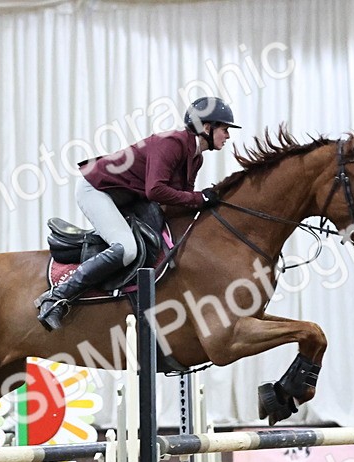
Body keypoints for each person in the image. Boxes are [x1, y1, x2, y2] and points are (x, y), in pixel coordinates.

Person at [35, 96, 240, 331]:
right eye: (224, 129)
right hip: (97, 189)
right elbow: (156, 190)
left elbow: (179, 200)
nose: (228, 136)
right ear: (206, 127)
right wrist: (199, 198)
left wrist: (209, 202)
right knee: (127, 248)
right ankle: (55, 298)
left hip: (129, 196)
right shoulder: (173, 143)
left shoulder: (196, 158)